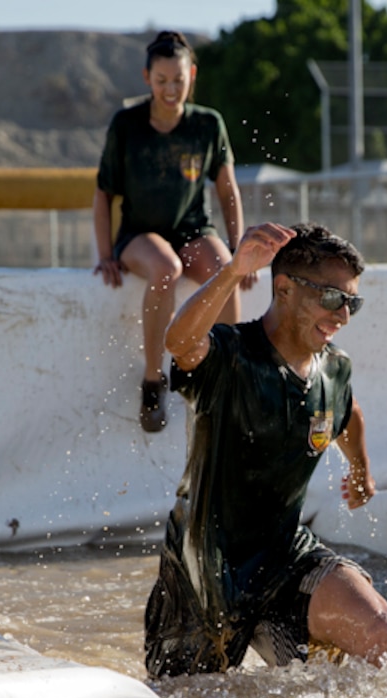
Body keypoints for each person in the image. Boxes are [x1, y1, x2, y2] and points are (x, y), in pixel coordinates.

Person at [143, 221, 387, 677]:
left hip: (285, 555)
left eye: (352, 303)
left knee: (379, 629)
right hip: (205, 568)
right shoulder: (232, 354)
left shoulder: (334, 368)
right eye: (331, 298)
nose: (342, 316)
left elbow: (349, 412)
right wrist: (230, 272)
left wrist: (361, 469)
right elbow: (179, 343)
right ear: (284, 289)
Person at [93, 30, 252, 433]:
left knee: (225, 269)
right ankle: (153, 380)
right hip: (140, 235)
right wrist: (105, 255)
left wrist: (239, 249)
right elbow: (103, 194)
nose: (171, 89)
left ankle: (221, 376)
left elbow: (228, 192)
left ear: (191, 75)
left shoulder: (207, 124)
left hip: (193, 228)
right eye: (162, 80)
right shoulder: (126, 125)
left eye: (178, 80)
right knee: (166, 268)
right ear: (147, 78)